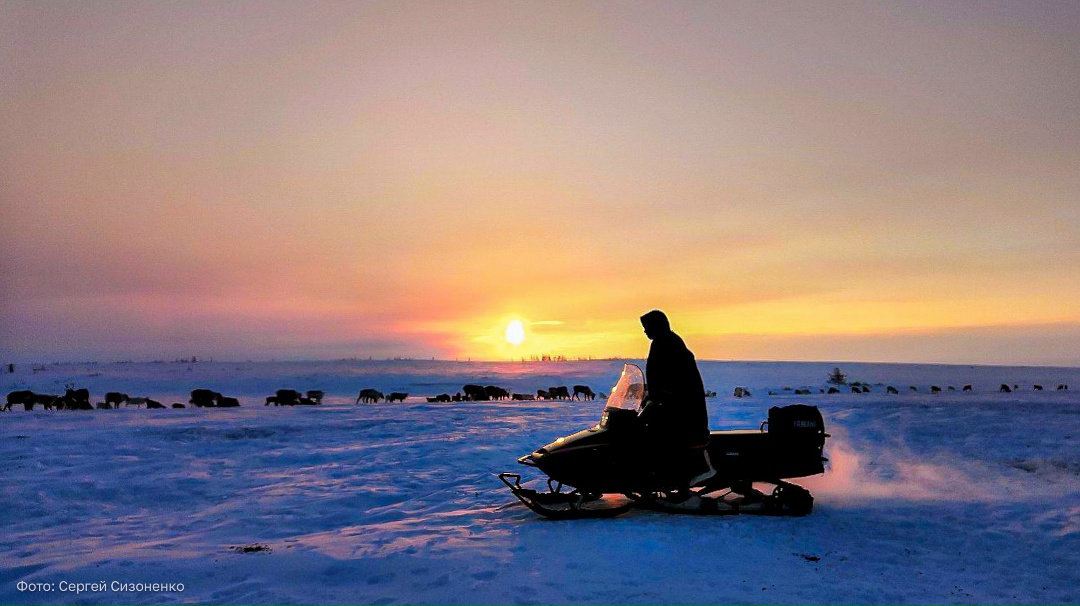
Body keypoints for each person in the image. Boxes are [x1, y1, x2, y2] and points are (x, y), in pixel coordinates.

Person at [637, 309, 710, 449]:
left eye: (647, 327)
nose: (645, 331)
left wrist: (661, 396)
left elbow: (676, 379)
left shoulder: (667, 344)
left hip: (680, 415)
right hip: (672, 408)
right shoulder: (665, 342)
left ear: (656, 326)